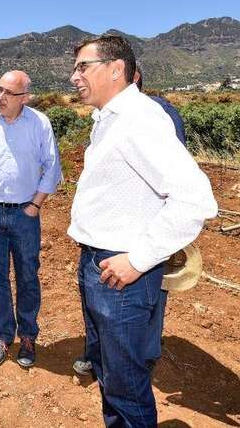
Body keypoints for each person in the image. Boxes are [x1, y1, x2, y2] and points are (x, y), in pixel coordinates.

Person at [68, 34, 217, 426]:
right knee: (110, 374)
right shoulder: (110, 120)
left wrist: (137, 260)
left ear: (116, 69)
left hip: (122, 276)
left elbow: (195, 200)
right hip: (100, 264)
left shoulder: (139, 119)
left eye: (83, 67)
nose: (73, 76)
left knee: (126, 388)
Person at [72, 62, 187, 377]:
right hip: (103, 236)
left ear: (131, 77)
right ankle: (98, 356)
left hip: (136, 238)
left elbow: (176, 184)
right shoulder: (106, 117)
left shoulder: (155, 114)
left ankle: (142, 357)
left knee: (148, 295)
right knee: (97, 306)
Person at [0, 70, 62, 368]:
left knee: (28, 276)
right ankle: (3, 335)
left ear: (25, 97)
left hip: (25, 214)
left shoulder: (39, 123)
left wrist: (35, 205)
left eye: (8, 92)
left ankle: (28, 336)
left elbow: (52, 167)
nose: (0, 97)